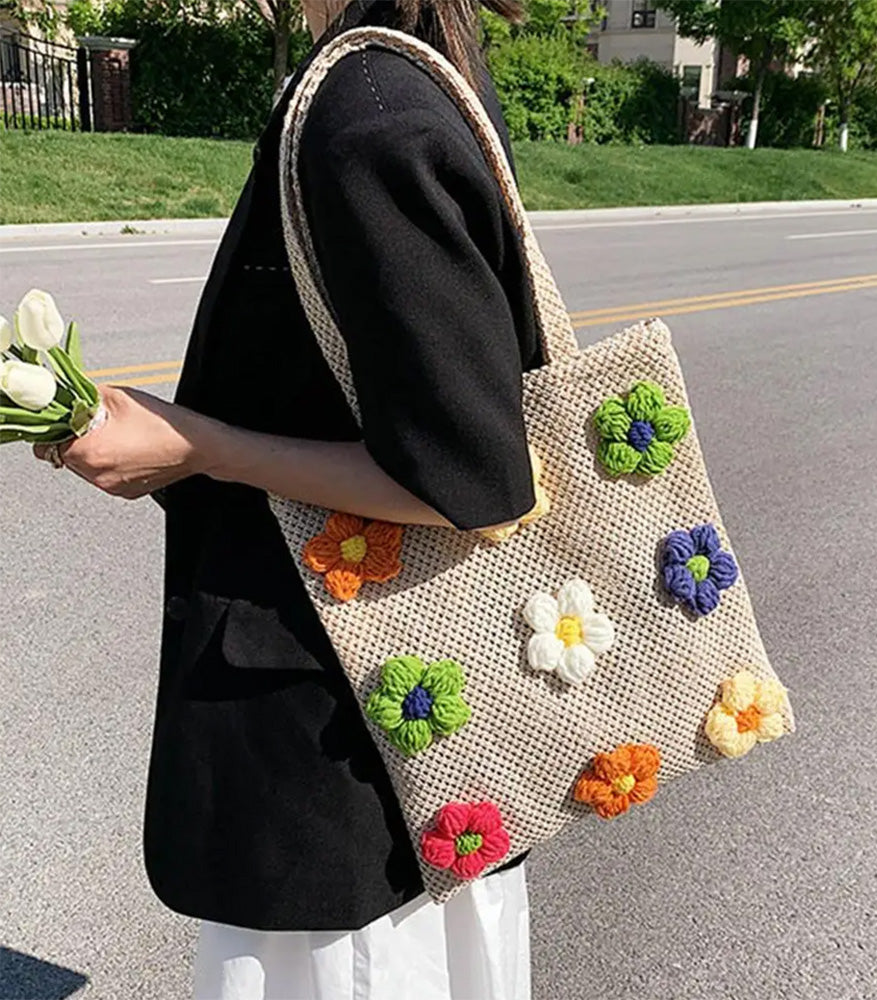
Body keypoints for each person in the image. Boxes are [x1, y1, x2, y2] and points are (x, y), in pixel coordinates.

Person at [34, 1, 540, 997]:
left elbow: (471, 479)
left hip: (349, 771)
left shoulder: (368, 111)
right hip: (394, 735)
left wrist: (196, 444)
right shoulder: (408, 69)